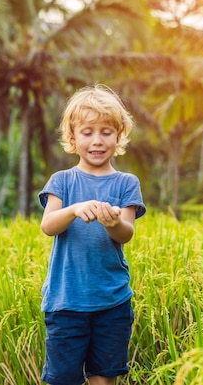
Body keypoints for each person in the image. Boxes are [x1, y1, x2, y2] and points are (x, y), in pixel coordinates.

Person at [38, 84, 146, 385]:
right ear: (73, 137)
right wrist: (75, 209)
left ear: (119, 136)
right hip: (66, 302)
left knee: (104, 378)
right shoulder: (62, 181)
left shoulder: (126, 183)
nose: (97, 141)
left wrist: (111, 222)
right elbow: (48, 226)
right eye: (87, 132)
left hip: (112, 301)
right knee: (63, 379)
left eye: (106, 132)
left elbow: (126, 234)